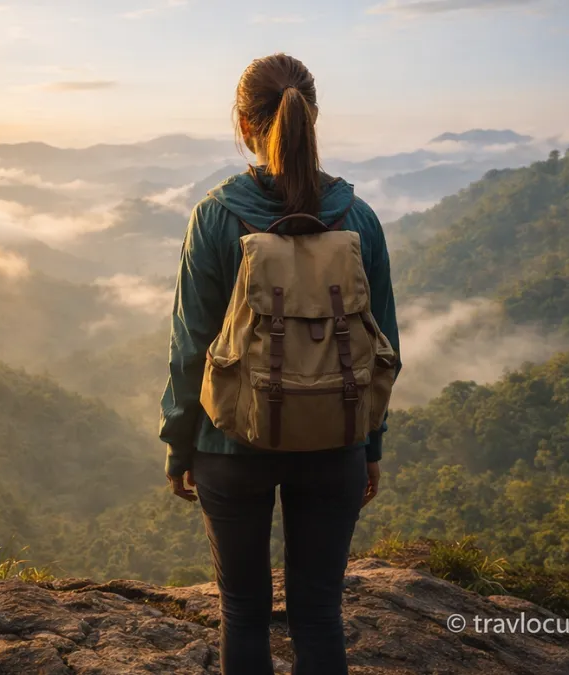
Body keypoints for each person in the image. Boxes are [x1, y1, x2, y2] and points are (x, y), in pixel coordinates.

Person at [159, 53, 400, 675]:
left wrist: (178, 445)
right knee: (318, 613)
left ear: (244, 125)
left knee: (242, 611)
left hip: (230, 443)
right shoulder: (359, 219)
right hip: (334, 440)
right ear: (313, 118)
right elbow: (382, 345)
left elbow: (192, 345)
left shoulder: (215, 217)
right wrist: (369, 444)